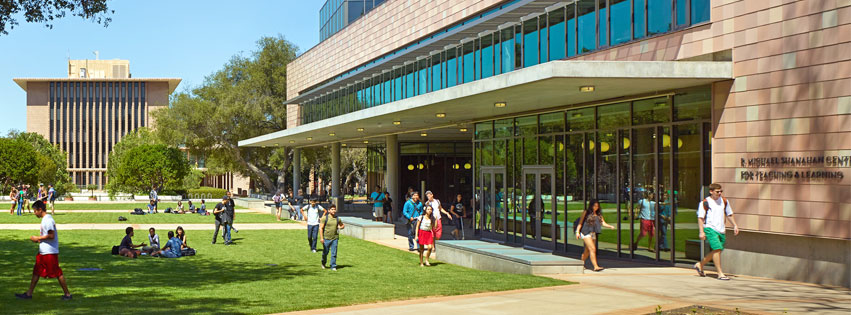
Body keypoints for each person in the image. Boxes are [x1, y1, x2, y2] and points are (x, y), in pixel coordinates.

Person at [14, 200, 72, 300]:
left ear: (40, 210)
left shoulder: (48, 220)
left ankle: (67, 294)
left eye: (35, 211)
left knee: (57, 272)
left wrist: (38, 238)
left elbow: (51, 235)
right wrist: (38, 240)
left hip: (50, 252)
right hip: (43, 252)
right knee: (36, 271)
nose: (34, 213)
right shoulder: (45, 219)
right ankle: (29, 294)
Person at [694, 183, 739, 281]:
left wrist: (735, 225)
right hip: (710, 229)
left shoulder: (724, 201)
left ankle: (700, 264)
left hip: (721, 230)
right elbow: (700, 218)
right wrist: (701, 232)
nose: (719, 193)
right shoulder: (705, 203)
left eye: (721, 191)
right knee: (717, 249)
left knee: (717, 250)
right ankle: (720, 273)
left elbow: (729, 214)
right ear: (711, 191)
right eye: (717, 192)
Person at [575, 199, 615, 272]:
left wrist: (610, 226)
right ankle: (596, 266)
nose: (596, 207)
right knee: (593, 249)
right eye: (594, 206)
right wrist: (577, 232)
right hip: (585, 232)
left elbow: (603, 223)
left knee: (587, 250)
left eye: (597, 206)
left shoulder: (599, 214)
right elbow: (580, 223)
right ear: (591, 206)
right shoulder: (586, 212)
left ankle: (580, 263)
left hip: (593, 233)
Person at [319, 205, 344, 271]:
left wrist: (340, 227)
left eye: (334, 209)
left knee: (334, 253)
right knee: (325, 252)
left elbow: (342, 225)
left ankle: (333, 266)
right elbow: (321, 228)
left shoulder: (338, 219)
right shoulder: (325, 218)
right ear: (329, 210)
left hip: (335, 238)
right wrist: (321, 238)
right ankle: (323, 263)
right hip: (326, 238)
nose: (334, 211)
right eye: (332, 209)